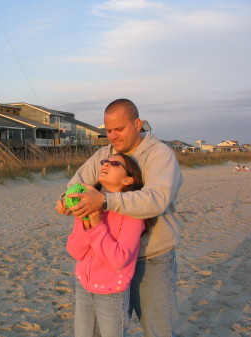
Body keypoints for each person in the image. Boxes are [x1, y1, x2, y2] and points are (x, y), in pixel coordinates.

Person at [56, 98, 183, 337]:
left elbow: (157, 199)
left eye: (119, 129)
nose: (113, 136)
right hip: (107, 261)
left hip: (151, 256)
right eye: (108, 130)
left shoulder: (159, 154)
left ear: (137, 123)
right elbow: (77, 183)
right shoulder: (105, 154)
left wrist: (104, 201)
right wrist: (66, 199)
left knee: (158, 328)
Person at [67, 153, 148, 337]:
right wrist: (85, 222)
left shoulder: (132, 214)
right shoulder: (89, 204)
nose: (106, 164)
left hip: (111, 293)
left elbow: (119, 260)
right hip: (83, 286)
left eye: (114, 163)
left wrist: (96, 226)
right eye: (105, 161)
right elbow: (76, 251)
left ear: (128, 179)